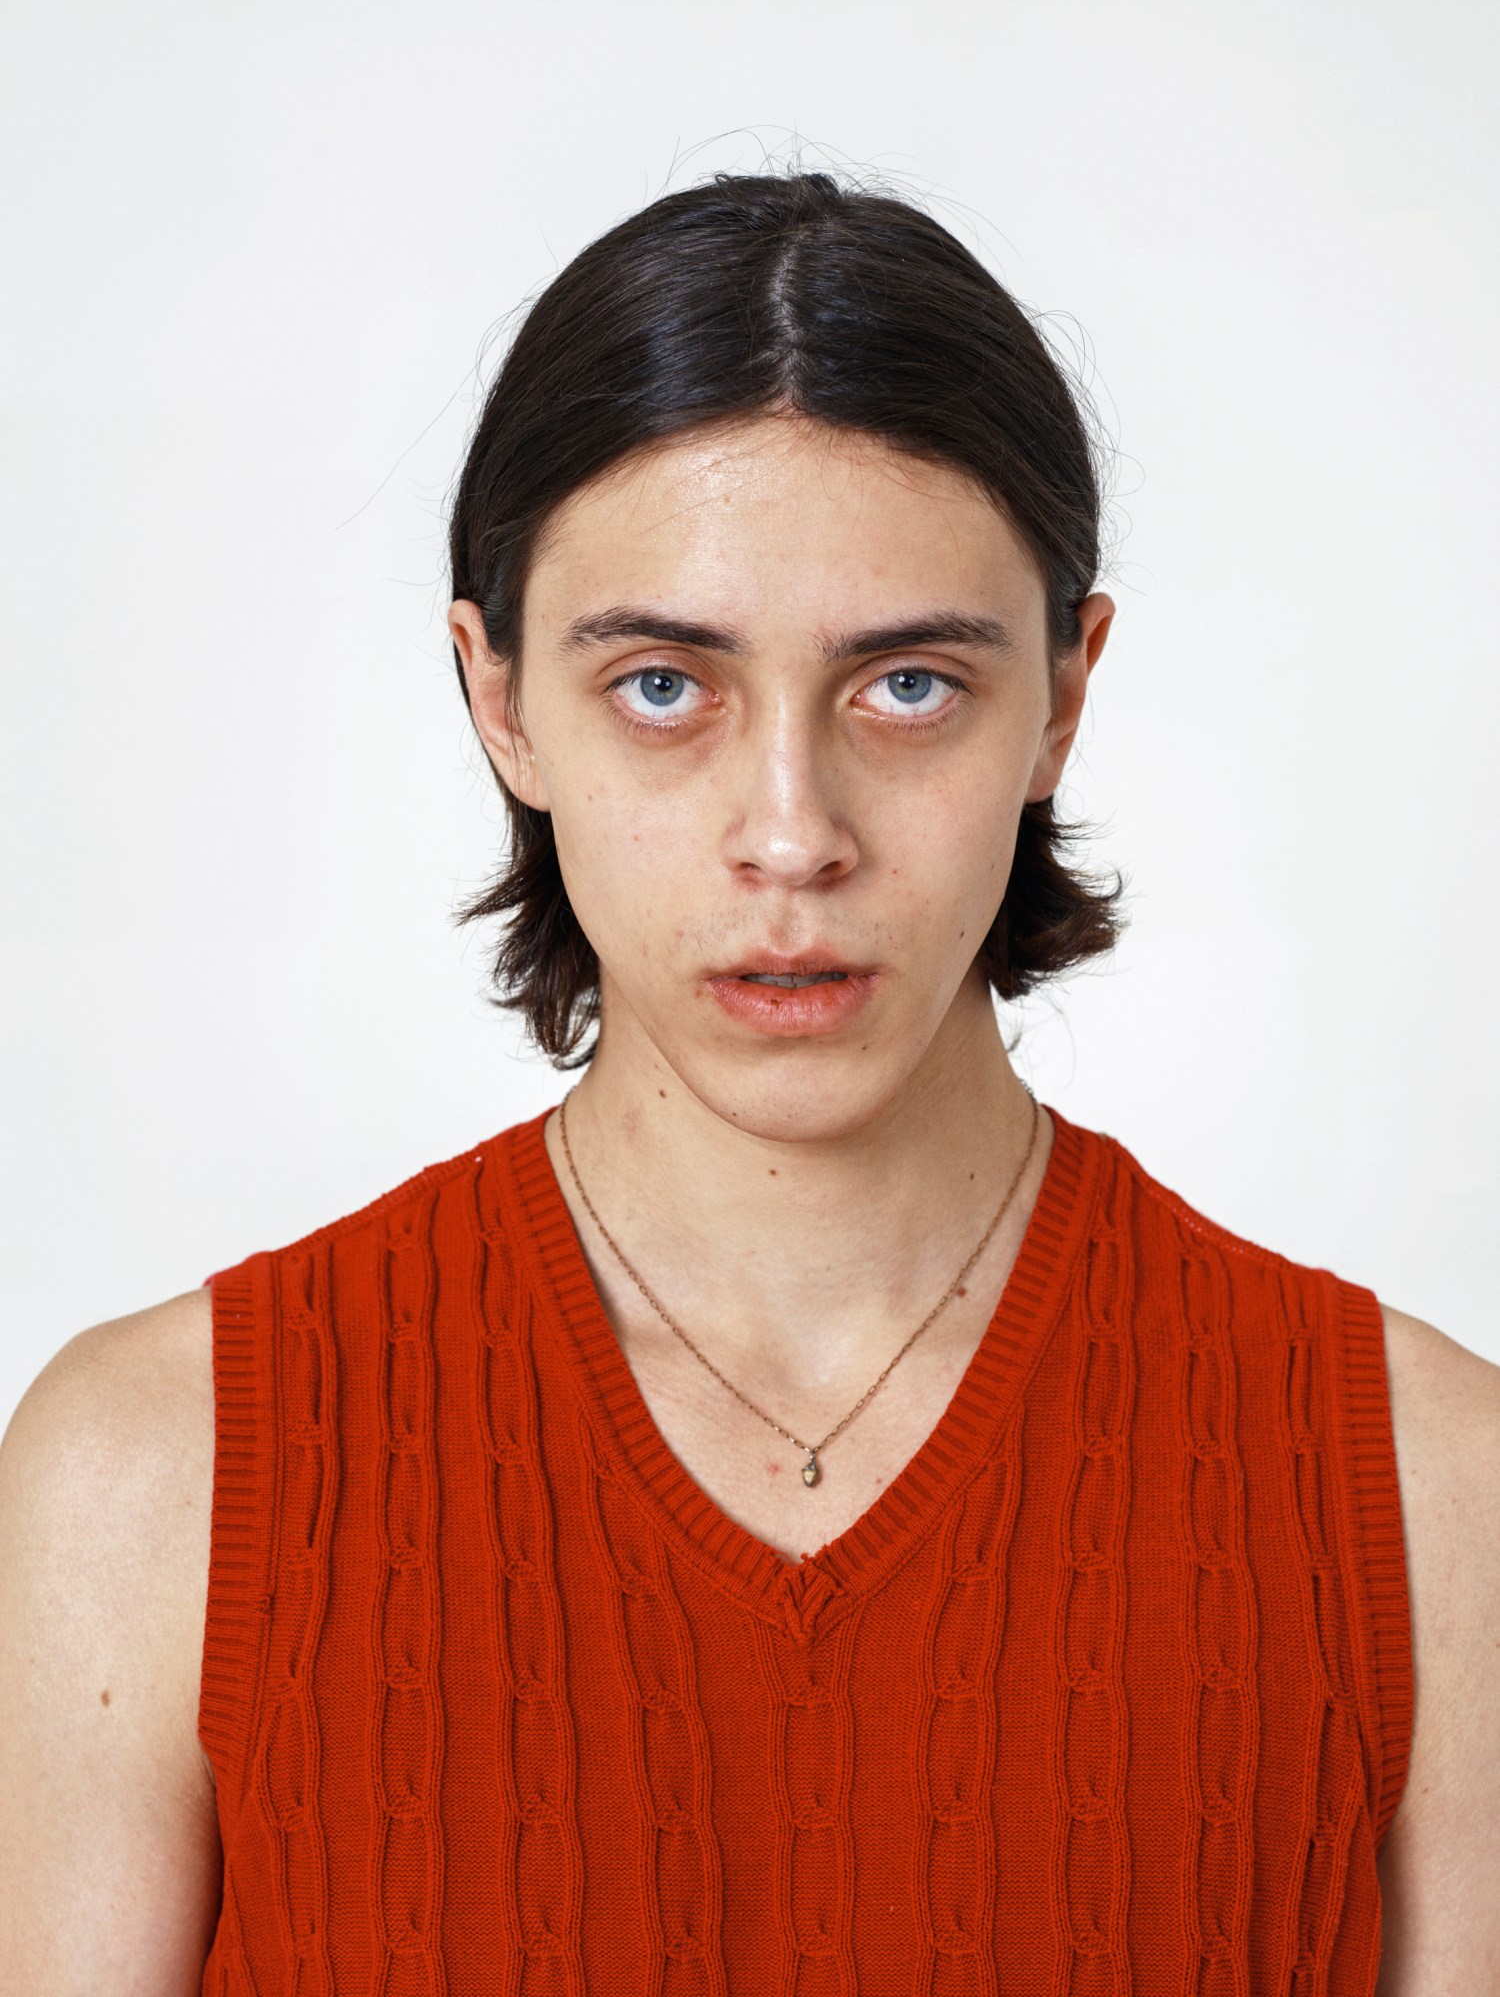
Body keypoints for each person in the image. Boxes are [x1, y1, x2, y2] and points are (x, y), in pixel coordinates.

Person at [0, 169, 1495, 1995]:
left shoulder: (1434, 1496)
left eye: (911, 687)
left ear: (1067, 695)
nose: (790, 835)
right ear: (500, 701)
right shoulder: (153, 1475)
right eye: (660, 686)